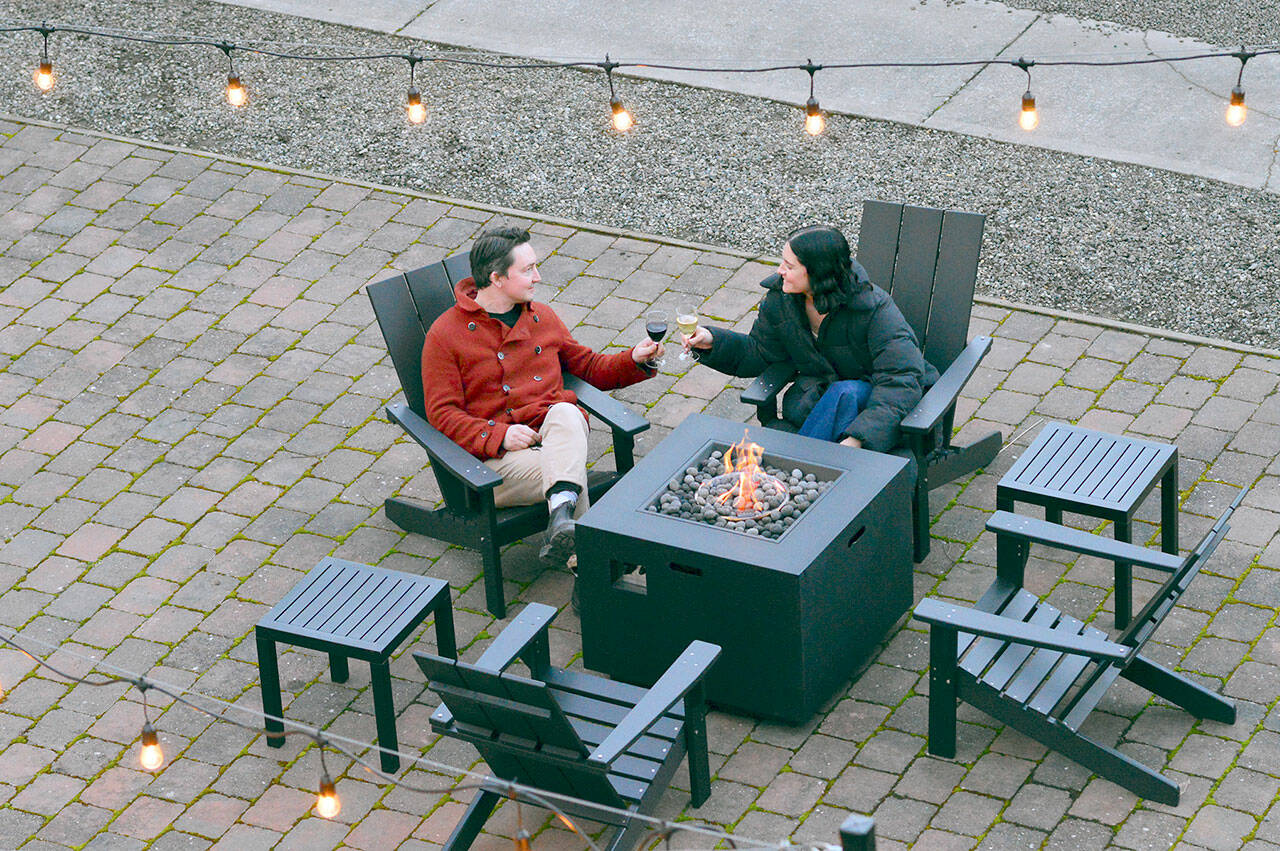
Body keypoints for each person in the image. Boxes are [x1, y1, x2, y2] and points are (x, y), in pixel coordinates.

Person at [421, 226, 662, 566]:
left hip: (554, 438)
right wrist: (499, 434)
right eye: (527, 269)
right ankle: (586, 560)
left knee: (565, 412)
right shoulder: (446, 335)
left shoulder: (541, 316)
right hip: (493, 465)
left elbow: (588, 367)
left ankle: (562, 520)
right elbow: (442, 415)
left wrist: (633, 359)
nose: (538, 276)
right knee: (570, 473)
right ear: (497, 278)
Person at [683, 225, 937, 453]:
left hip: (881, 412)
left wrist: (859, 438)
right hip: (817, 405)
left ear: (818, 273)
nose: (780, 271)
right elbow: (759, 353)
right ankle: (798, 474)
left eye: (790, 266)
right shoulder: (782, 301)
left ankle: (793, 471)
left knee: (846, 392)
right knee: (839, 395)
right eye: (782, 262)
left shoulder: (872, 309)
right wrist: (712, 341)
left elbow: (900, 380)